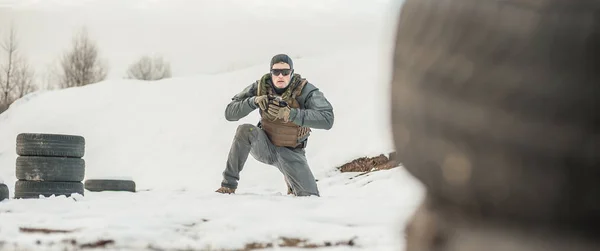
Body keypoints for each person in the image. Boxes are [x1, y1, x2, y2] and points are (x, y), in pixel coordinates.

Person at [215, 54, 334, 197]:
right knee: (245, 130)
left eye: (285, 72)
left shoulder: (306, 91)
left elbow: (328, 119)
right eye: (276, 72)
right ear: (271, 72)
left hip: (292, 152)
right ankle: (228, 186)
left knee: (309, 197)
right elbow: (230, 113)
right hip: (265, 146)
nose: (280, 76)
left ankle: (290, 177)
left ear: (292, 73)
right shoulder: (260, 86)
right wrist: (253, 101)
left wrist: (291, 114)